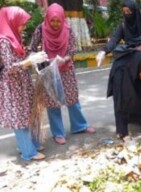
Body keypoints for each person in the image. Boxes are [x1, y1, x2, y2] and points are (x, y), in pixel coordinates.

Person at [30, 3, 95, 145]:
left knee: (72, 98)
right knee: (53, 102)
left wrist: (64, 59)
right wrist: (39, 58)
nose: (55, 24)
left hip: (66, 70)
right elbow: (32, 49)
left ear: (62, 18)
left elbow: (72, 50)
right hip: (48, 71)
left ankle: (79, 126)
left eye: (58, 20)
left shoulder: (68, 29)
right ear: (47, 18)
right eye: (52, 20)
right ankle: (58, 133)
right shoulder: (41, 29)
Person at [0, 6, 48, 160]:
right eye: (22, 23)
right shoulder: (4, 42)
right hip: (13, 86)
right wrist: (28, 62)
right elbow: (8, 69)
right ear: (12, 21)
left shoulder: (15, 38)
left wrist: (34, 56)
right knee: (19, 119)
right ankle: (29, 152)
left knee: (26, 115)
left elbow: (22, 56)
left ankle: (25, 145)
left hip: (22, 84)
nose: (24, 27)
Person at [96, 0, 141, 66]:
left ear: (134, 11)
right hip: (130, 58)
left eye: (128, 11)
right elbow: (114, 40)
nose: (127, 14)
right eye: (124, 12)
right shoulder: (123, 26)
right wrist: (103, 51)